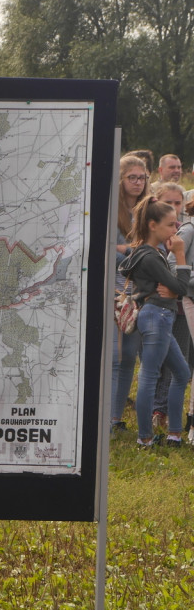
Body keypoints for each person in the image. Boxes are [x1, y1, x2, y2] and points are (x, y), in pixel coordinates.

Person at [119, 195, 191, 448]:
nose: (176, 229)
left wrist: (174, 289)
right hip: (157, 316)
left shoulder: (148, 252)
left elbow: (176, 289)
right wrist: (180, 254)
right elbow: (182, 286)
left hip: (157, 316)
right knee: (149, 377)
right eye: (171, 224)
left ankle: (173, 434)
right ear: (153, 225)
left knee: (182, 373)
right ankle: (145, 438)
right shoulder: (149, 256)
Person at [111, 155, 149, 433]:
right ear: (121, 179)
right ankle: (104, 419)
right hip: (113, 289)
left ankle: (116, 418)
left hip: (139, 290)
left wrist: (128, 252)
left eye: (142, 177)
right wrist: (131, 253)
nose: (138, 182)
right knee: (114, 356)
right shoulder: (111, 209)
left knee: (129, 358)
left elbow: (156, 249)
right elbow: (105, 250)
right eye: (132, 177)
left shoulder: (149, 209)